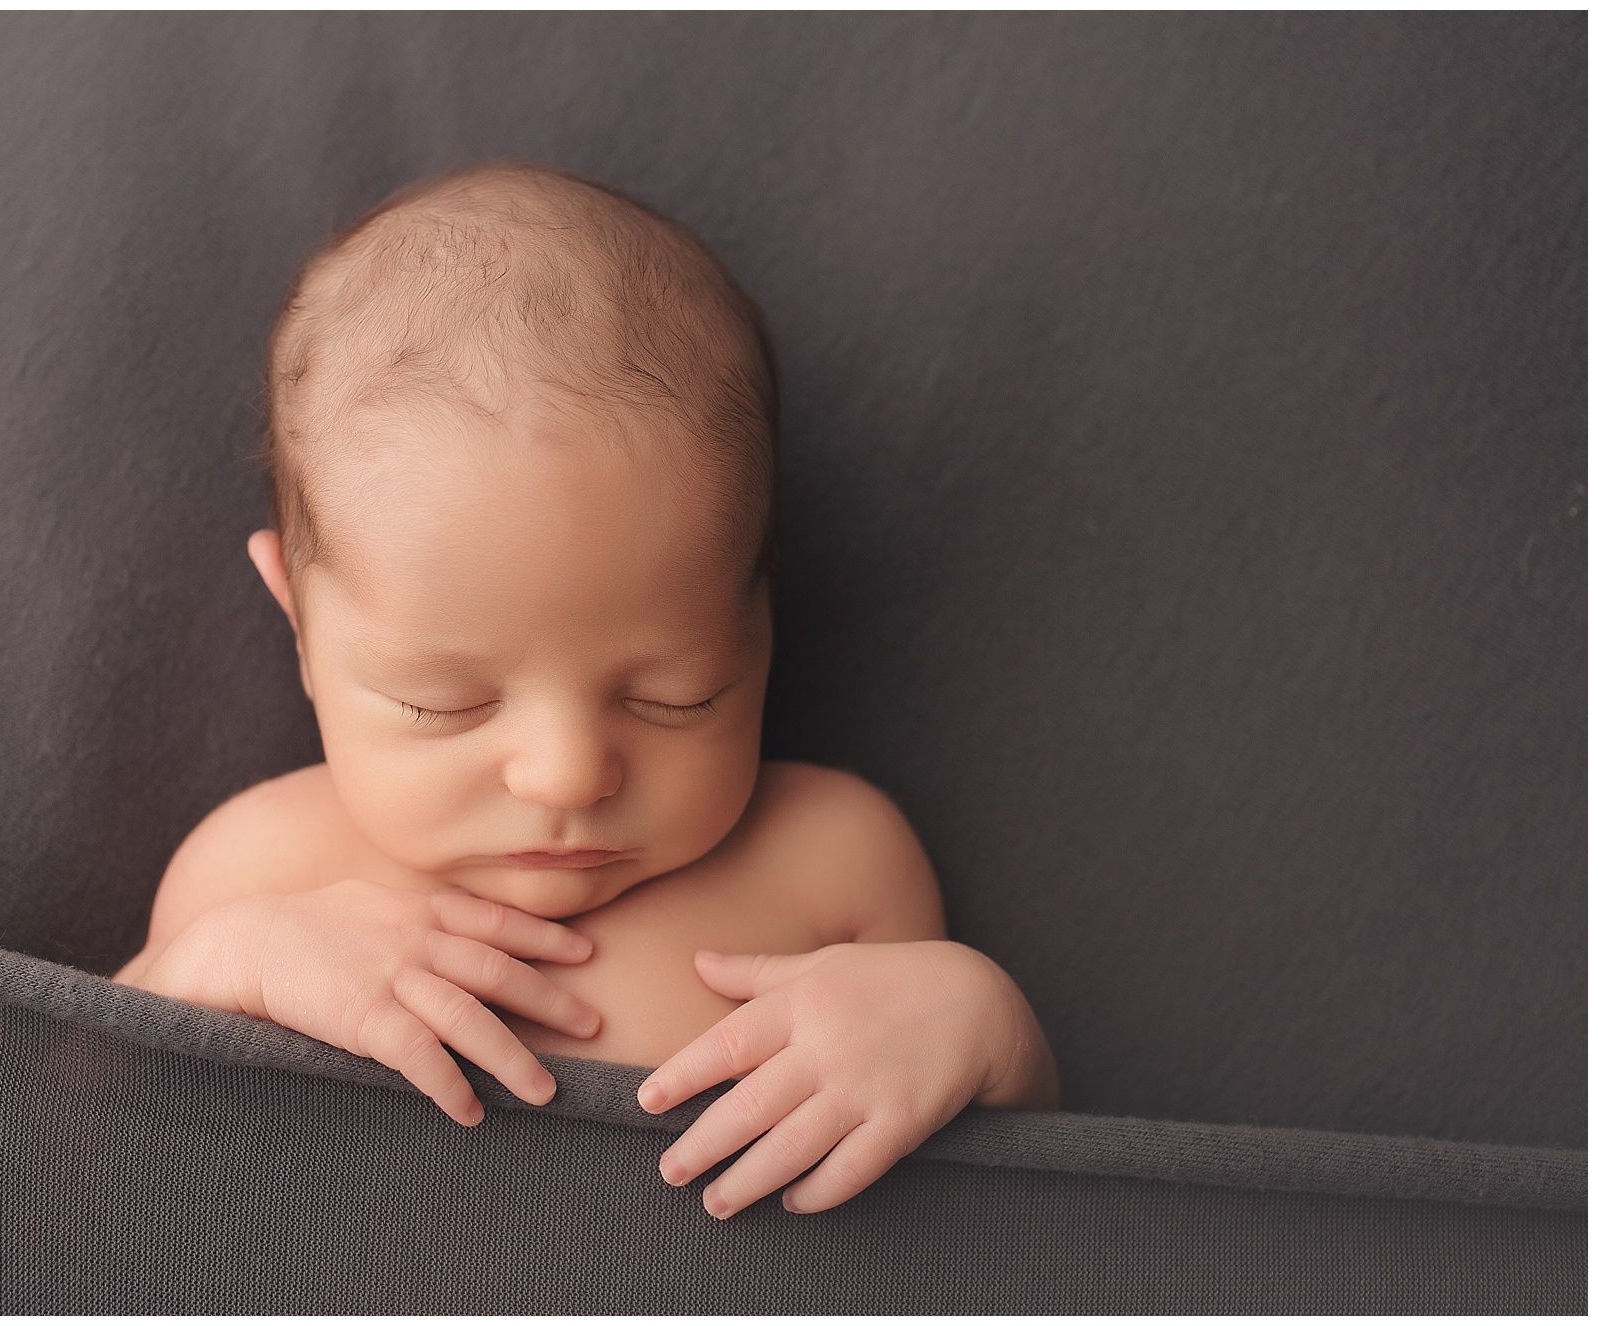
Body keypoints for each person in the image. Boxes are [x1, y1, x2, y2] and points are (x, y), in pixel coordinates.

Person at [113, 158, 1057, 1219]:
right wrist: (203, 972)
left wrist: (985, 1033)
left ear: (761, 611)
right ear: (298, 620)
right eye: (446, 702)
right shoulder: (260, 873)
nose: (567, 775)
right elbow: (55, 1139)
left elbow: (991, 1209)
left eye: (676, 694)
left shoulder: (832, 862)